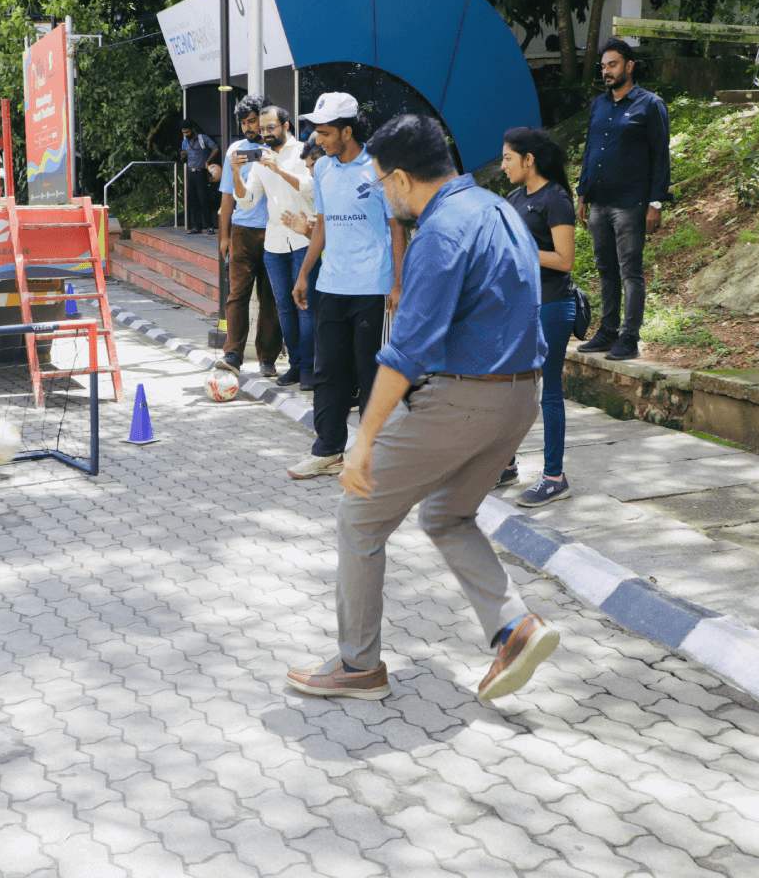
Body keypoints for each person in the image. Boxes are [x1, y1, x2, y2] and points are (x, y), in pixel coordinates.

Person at [285, 114, 559, 702]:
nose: (385, 194)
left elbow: (404, 353)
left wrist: (363, 442)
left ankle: (358, 667)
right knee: (447, 514)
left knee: (359, 518)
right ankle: (515, 625)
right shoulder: (499, 209)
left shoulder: (440, 233)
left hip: (464, 398)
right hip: (521, 396)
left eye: (384, 182)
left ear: (403, 178)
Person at [287, 93, 405, 480]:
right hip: (331, 283)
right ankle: (328, 451)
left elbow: (396, 227)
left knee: (370, 373)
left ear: (347, 131)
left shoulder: (380, 166)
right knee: (328, 371)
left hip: (372, 286)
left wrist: (398, 283)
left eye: (324, 132)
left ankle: (373, 454)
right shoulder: (322, 169)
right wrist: (305, 273)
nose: (318, 139)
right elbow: (321, 223)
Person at [575, 39, 669, 361]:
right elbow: (590, 149)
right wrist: (582, 192)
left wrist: (656, 204)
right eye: (603, 66)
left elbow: (660, 156)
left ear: (629, 66)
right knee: (605, 270)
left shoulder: (650, 105)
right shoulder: (599, 105)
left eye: (612, 65)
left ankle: (629, 338)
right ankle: (607, 331)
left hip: (630, 204)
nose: (606, 71)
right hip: (599, 202)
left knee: (631, 272)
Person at [498, 127, 577, 506]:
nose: (503, 166)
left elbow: (564, 260)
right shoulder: (514, 197)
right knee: (509, 387)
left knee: (549, 393)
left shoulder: (556, 199)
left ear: (529, 160)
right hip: (517, 304)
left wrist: (521, 247)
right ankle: (506, 464)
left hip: (552, 304)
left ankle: (554, 476)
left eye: (508, 158)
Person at [237, 105, 316, 386]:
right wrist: (236, 173)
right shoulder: (261, 158)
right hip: (274, 244)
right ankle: (295, 366)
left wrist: (279, 169)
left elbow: (310, 185)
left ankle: (308, 369)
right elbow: (247, 201)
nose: (266, 134)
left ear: (285, 125)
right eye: (262, 130)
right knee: (283, 307)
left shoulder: (304, 150)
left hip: (303, 240)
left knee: (304, 306)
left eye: (271, 128)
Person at [216, 94, 282, 376]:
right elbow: (227, 199)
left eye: (252, 121)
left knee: (270, 297)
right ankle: (232, 355)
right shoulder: (236, 150)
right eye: (243, 123)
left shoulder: (278, 150)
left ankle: (267, 358)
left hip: (275, 232)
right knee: (237, 295)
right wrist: (224, 237)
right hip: (241, 232)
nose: (248, 128)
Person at [180, 118, 219, 234]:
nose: (186, 134)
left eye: (187, 132)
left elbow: (216, 148)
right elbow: (183, 160)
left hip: (201, 172)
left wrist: (208, 161)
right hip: (190, 172)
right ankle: (196, 226)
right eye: (184, 133)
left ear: (192, 129)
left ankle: (209, 226)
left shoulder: (202, 139)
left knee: (204, 199)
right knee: (193, 200)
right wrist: (182, 157)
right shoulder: (185, 142)